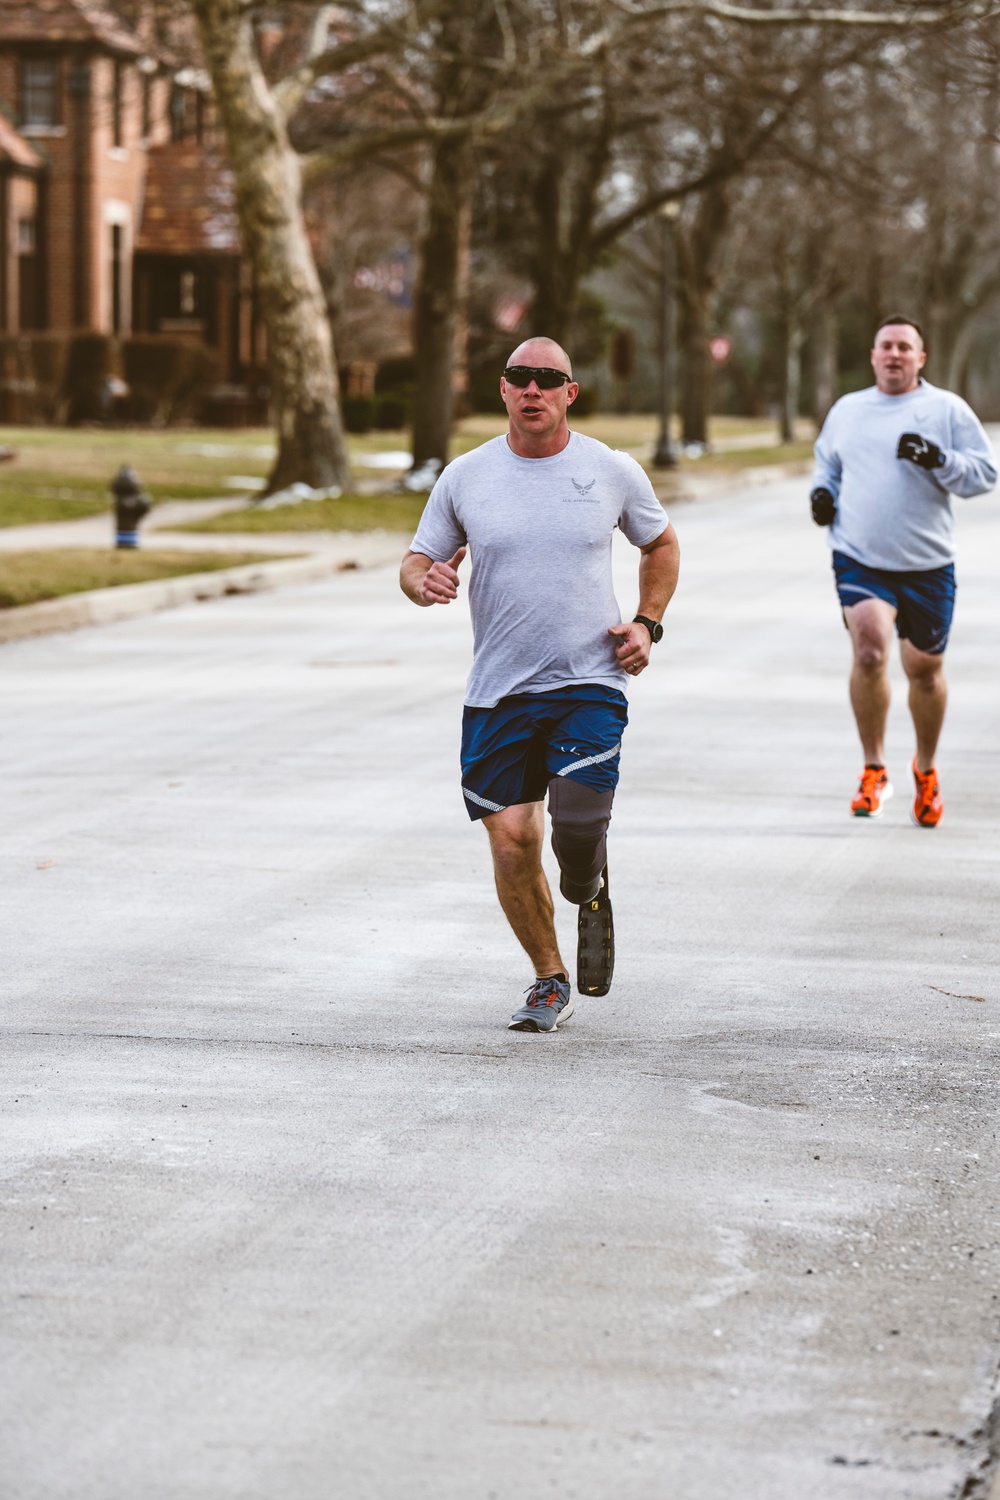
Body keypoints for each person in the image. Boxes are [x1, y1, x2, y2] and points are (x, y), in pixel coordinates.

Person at [400, 337, 679, 1031]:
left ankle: (587, 883)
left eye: (548, 380)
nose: (534, 390)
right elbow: (414, 561)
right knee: (511, 840)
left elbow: (661, 544)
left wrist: (647, 624)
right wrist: (423, 580)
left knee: (576, 832)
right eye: (521, 378)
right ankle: (549, 979)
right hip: (497, 690)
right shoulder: (465, 477)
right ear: (502, 389)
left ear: (569, 393)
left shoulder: (610, 471)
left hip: (589, 682)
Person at [810, 315, 996, 826]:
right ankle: (873, 769)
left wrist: (939, 459)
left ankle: (926, 770)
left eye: (904, 348)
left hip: (928, 563)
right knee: (870, 650)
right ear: (873, 356)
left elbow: (985, 475)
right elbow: (826, 462)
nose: (894, 354)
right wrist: (822, 494)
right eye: (885, 346)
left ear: (921, 357)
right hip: (859, 555)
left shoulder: (945, 409)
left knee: (924, 671)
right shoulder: (849, 410)